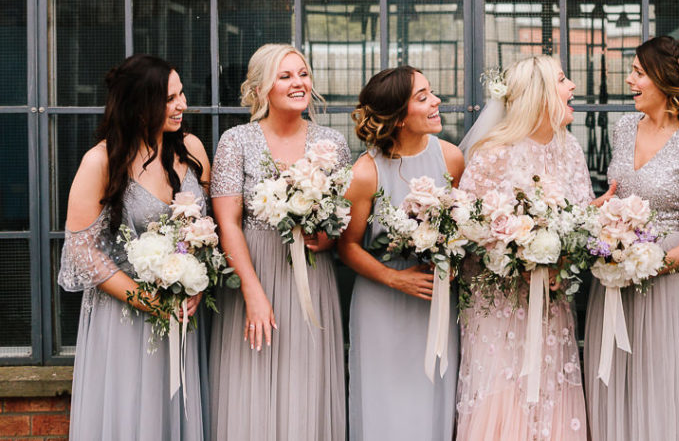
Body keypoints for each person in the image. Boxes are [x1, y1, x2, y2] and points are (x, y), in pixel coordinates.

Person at [58, 54, 210, 439]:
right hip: (125, 318)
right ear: (140, 107)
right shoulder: (100, 161)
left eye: (181, 94)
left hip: (183, 314)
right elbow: (81, 252)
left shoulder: (190, 150)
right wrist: (146, 299)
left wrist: (198, 280)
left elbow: (207, 228)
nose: (182, 105)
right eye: (170, 98)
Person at [207, 44, 350, 440]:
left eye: (302, 74)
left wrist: (326, 238)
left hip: (310, 276)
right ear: (260, 90)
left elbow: (340, 217)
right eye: (284, 76)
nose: (298, 83)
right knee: (251, 375)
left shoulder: (332, 144)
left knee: (306, 379)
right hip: (254, 270)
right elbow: (228, 222)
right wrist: (253, 292)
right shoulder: (236, 141)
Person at [455, 55, 601, 441]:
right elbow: (468, 225)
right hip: (499, 305)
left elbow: (582, 220)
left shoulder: (570, 149)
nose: (571, 88)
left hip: (551, 305)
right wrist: (516, 254)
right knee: (505, 391)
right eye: (563, 80)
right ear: (539, 94)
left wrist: (562, 258)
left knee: (551, 388)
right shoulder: (493, 151)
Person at [583, 36, 679, 441]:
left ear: (664, 81)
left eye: (638, 73)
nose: (629, 81)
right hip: (615, 275)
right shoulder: (625, 128)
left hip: (669, 280)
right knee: (615, 381)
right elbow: (616, 194)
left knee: (660, 381)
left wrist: (655, 264)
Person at [339, 66, 464, 441]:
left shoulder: (452, 159)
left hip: (435, 301)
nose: (436, 101)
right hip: (383, 302)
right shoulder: (365, 173)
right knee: (385, 405)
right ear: (399, 117)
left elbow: (461, 228)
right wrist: (396, 277)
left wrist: (452, 258)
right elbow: (347, 247)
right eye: (423, 97)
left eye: (432, 92)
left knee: (432, 397)